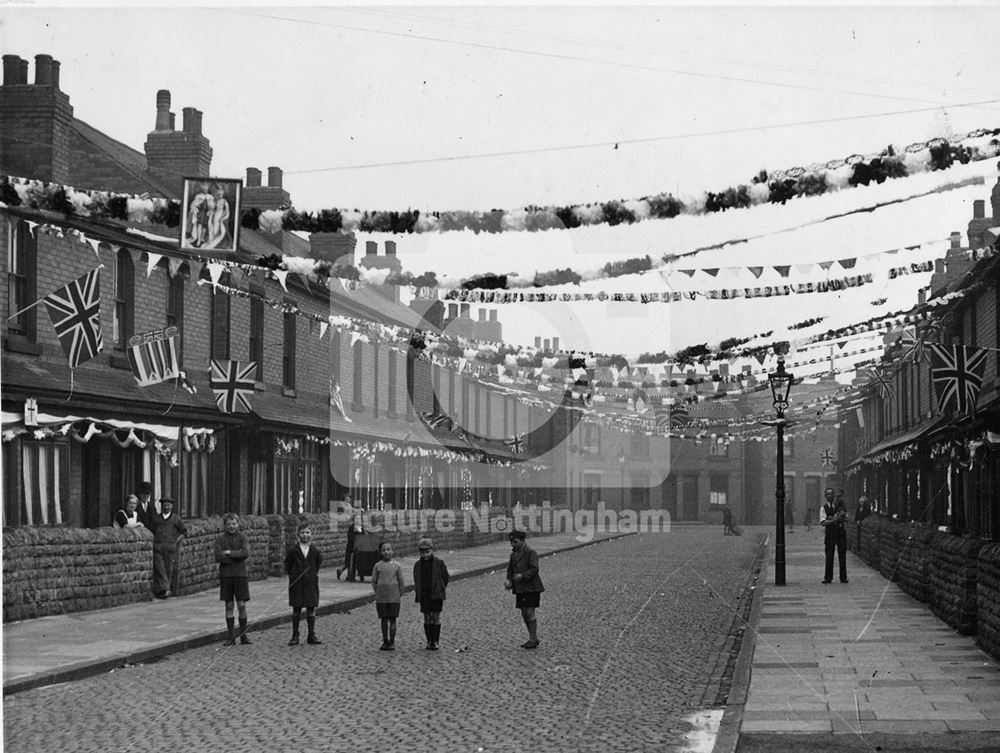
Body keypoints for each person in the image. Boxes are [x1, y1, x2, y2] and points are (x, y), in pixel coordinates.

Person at [215, 513, 252, 646]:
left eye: (234, 524)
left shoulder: (242, 538)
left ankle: (243, 635)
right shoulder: (220, 539)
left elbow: (245, 553)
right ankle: (231, 636)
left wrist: (229, 553)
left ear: (238, 524)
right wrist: (236, 556)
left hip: (240, 575)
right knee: (229, 605)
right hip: (226, 576)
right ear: (224, 526)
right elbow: (218, 556)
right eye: (229, 524)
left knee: (241, 604)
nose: (231, 526)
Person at [285, 522, 323, 646]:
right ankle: (295, 634)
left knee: (311, 609)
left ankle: (311, 634)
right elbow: (288, 565)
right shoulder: (293, 551)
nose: (305, 535)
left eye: (307, 532)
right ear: (298, 535)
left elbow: (317, 565)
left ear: (312, 535)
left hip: (310, 583)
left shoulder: (315, 551)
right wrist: (295, 575)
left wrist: (310, 575)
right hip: (297, 583)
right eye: (302, 532)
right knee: (296, 609)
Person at [505, 530, 544, 649]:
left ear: (523, 541)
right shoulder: (513, 555)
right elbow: (510, 570)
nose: (513, 545)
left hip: (531, 587)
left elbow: (534, 569)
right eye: (511, 542)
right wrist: (509, 580)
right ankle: (532, 637)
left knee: (529, 612)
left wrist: (522, 575)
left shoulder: (531, 553)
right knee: (524, 613)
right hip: (520, 588)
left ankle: (533, 638)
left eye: (515, 542)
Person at [413, 537, 450, 650]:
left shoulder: (439, 563)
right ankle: (429, 641)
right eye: (422, 552)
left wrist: (441, 588)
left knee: (436, 616)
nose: (425, 555)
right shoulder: (418, 565)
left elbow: (445, 577)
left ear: (432, 550)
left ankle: (436, 640)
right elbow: (417, 579)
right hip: (424, 594)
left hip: (436, 593)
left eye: (427, 552)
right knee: (427, 617)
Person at [371, 541, 405, 651]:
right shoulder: (377, 566)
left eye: (388, 550)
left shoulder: (397, 566)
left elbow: (401, 581)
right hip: (381, 598)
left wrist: (398, 594)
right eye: (384, 550)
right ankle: (385, 640)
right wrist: (379, 592)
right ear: (380, 552)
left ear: (392, 551)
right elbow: (374, 581)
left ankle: (392, 641)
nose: (386, 552)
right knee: (384, 619)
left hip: (394, 598)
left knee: (393, 619)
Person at [151, 497, 186, 599]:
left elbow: (183, 532)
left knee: (168, 569)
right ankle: (166, 589)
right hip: (158, 547)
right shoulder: (156, 518)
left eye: (168, 505)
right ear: (161, 506)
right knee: (160, 568)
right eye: (165, 505)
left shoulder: (176, 519)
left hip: (170, 548)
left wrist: (176, 541)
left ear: (172, 506)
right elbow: (151, 531)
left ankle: (163, 591)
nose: (166, 507)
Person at [820, 487, 848, 584]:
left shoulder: (839, 506)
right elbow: (823, 522)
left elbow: (845, 517)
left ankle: (843, 577)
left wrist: (835, 519)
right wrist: (835, 520)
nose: (830, 496)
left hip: (840, 533)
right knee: (829, 556)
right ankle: (828, 577)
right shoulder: (823, 508)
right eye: (827, 494)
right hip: (830, 534)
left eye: (831, 494)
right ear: (825, 496)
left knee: (842, 555)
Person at [337, 503, 364, 581]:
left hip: (358, 548)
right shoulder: (352, 528)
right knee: (349, 563)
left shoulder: (361, 528)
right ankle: (347, 574)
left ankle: (346, 573)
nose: (359, 520)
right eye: (357, 519)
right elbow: (351, 538)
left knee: (351, 563)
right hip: (351, 547)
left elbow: (363, 536)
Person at [186, 181, 213, 248]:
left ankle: (202, 239)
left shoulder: (210, 197)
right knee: (199, 225)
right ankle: (198, 240)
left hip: (207, 212)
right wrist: (199, 204)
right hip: (200, 212)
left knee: (205, 225)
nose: (205, 190)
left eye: (206, 189)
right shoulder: (198, 196)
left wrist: (210, 205)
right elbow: (194, 204)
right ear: (202, 189)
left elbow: (212, 206)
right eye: (204, 189)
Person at [204, 182, 231, 250]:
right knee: (213, 228)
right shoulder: (216, 201)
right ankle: (213, 240)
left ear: (223, 195)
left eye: (221, 195)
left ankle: (218, 242)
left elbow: (226, 211)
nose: (219, 196)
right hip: (215, 215)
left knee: (218, 228)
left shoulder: (224, 201)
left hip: (220, 215)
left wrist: (223, 217)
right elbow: (213, 208)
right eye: (218, 195)